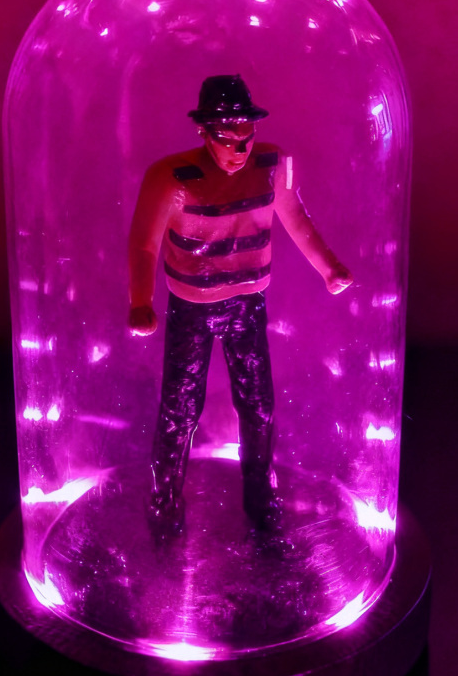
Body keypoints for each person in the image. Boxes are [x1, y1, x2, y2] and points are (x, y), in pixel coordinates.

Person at [128, 75, 352, 539]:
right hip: (191, 306)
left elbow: (296, 219)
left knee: (258, 405)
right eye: (227, 138)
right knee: (179, 409)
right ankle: (164, 502)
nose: (239, 149)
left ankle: (261, 496)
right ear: (204, 133)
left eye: (246, 136)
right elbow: (144, 243)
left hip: (247, 304)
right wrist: (140, 300)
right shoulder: (171, 178)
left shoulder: (273, 165)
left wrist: (329, 268)